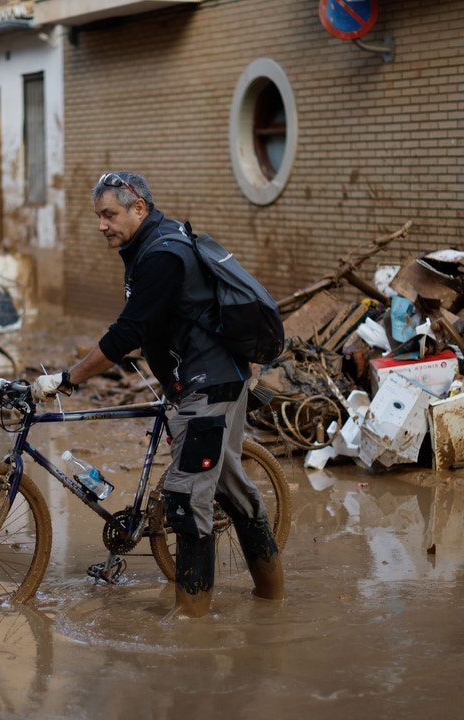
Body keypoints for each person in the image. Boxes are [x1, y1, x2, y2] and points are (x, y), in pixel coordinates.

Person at [31, 171, 286, 619]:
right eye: (98, 216)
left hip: (207, 389)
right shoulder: (152, 245)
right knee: (233, 488)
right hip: (208, 383)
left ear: (138, 208)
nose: (101, 225)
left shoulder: (162, 255)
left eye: (109, 214)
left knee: (187, 501)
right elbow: (146, 325)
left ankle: (190, 623)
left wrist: (68, 378)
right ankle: (271, 597)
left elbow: (127, 330)